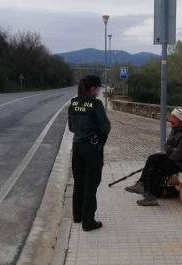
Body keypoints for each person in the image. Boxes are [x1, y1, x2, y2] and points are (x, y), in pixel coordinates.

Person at [125, 108, 182, 206]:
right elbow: (167, 146)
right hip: (175, 158)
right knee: (152, 158)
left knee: (160, 168)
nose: (170, 120)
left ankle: (152, 197)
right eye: (171, 117)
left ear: (181, 120)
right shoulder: (176, 129)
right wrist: (171, 149)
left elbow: (177, 155)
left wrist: (170, 150)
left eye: (174, 118)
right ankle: (142, 184)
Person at [68, 75, 111, 231]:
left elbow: (71, 128)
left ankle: (77, 216)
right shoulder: (96, 104)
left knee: (79, 183)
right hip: (92, 150)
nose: (99, 90)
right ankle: (88, 221)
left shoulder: (74, 103)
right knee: (91, 185)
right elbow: (106, 128)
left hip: (77, 148)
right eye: (99, 87)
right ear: (93, 88)